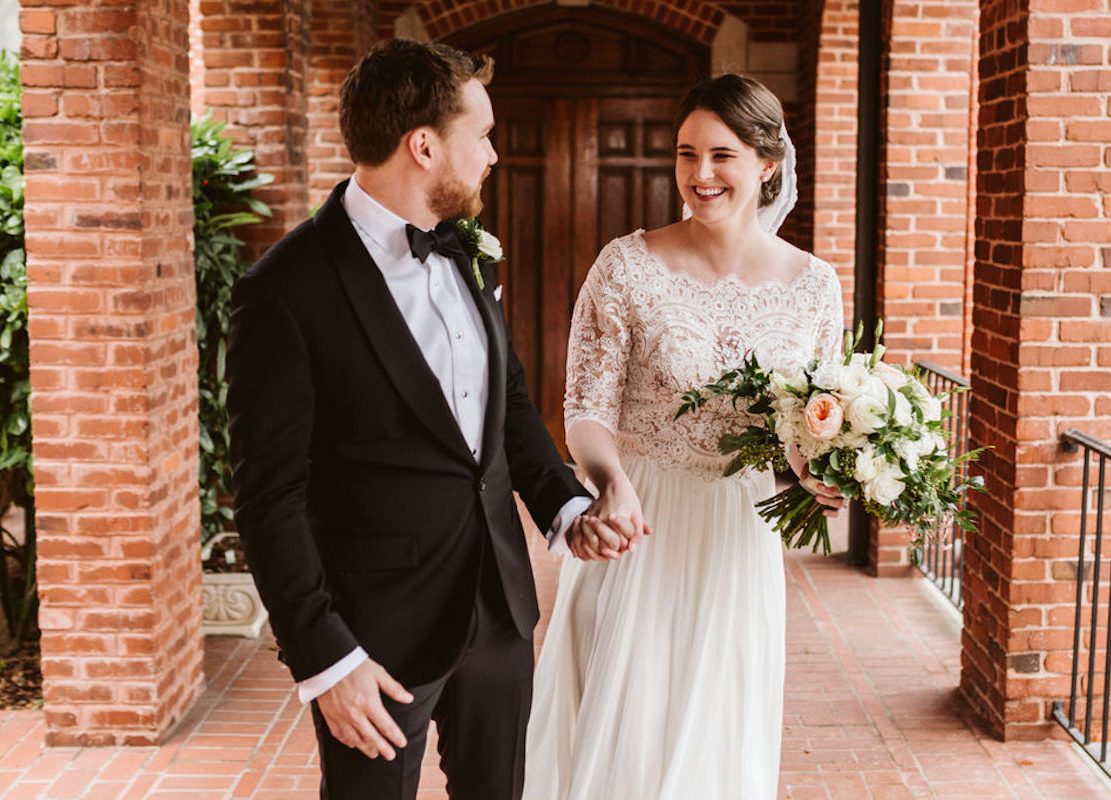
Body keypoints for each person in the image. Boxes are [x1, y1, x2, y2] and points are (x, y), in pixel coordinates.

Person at [225, 39, 619, 800]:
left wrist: (566, 508)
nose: (494, 156)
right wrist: (324, 659)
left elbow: (503, 407)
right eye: (483, 136)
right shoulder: (284, 292)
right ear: (425, 145)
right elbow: (266, 499)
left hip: (499, 609)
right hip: (374, 637)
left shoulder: (469, 252)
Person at [522, 74, 847, 799]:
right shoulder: (626, 266)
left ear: (767, 164)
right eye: (686, 154)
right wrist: (611, 480)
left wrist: (820, 473)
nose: (700, 175)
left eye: (721, 155)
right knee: (625, 731)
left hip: (740, 532)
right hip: (639, 522)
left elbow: (808, 424)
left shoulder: (815, 286)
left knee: (719, 733)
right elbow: (584, 408)